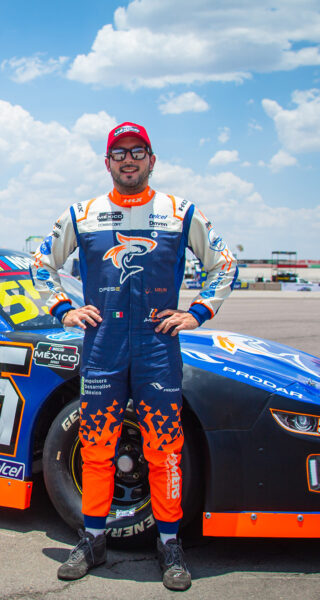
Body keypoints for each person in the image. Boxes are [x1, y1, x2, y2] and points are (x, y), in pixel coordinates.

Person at [31, 122, 237, 591]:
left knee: (164, 451)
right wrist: (63, 307)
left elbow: (223, 264)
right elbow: (40, 262)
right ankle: (93, 539)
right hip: (103, 346)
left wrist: (199, 311)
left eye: (137, 151)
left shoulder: (179, 212)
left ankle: (169, 544)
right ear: (107, 163)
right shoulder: (82, 213)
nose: (128, 159)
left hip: (157, 346)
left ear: (151, 159)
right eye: (119, 153)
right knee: (97, 449)